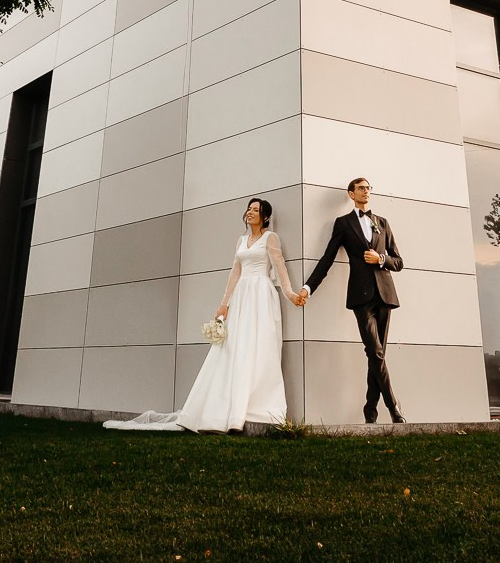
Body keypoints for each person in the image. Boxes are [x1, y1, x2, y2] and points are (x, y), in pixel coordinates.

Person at [103, 198, 301, 432]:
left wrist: (290, 294)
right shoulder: (241, 241)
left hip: (260, 295)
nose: (250, 212)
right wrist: (224, 304)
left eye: (255, 210)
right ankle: (225, 408)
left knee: (257, 346)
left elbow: (280, 268)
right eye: (249, 209)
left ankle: (249, 408)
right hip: (241, 296)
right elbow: (235, 272)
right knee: (234, 348)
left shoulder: (270, 238)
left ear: (265, 217)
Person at [300, 177, 405, 424]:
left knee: (377, 355)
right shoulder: (343, 223)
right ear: (351, 194)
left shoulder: (382, 222)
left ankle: (370, 410)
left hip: (385, 295)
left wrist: (380, 259)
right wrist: (308, 287)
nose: (365, 191)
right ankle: (393, 407)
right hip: (361, 296)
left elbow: (399, 262)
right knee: (375, 352)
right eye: (361, 188)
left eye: (368, 188)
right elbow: (327, 258)